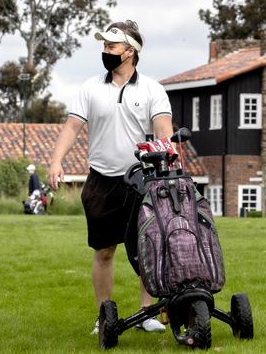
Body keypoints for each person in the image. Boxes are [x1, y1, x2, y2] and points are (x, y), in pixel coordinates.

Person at [47, 20, 173, 334]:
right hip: (100, 180)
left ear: (130, 51)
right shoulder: (90, 87)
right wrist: (56, 161)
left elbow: (164, 131)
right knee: (104, 250)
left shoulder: (152, 90)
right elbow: (72, 128)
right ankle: (104, 317)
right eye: (104, 46)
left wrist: (166, 163)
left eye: (112, 46)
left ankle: (147, 314)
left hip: (141, 179)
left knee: (146, 247)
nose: (106, 51)